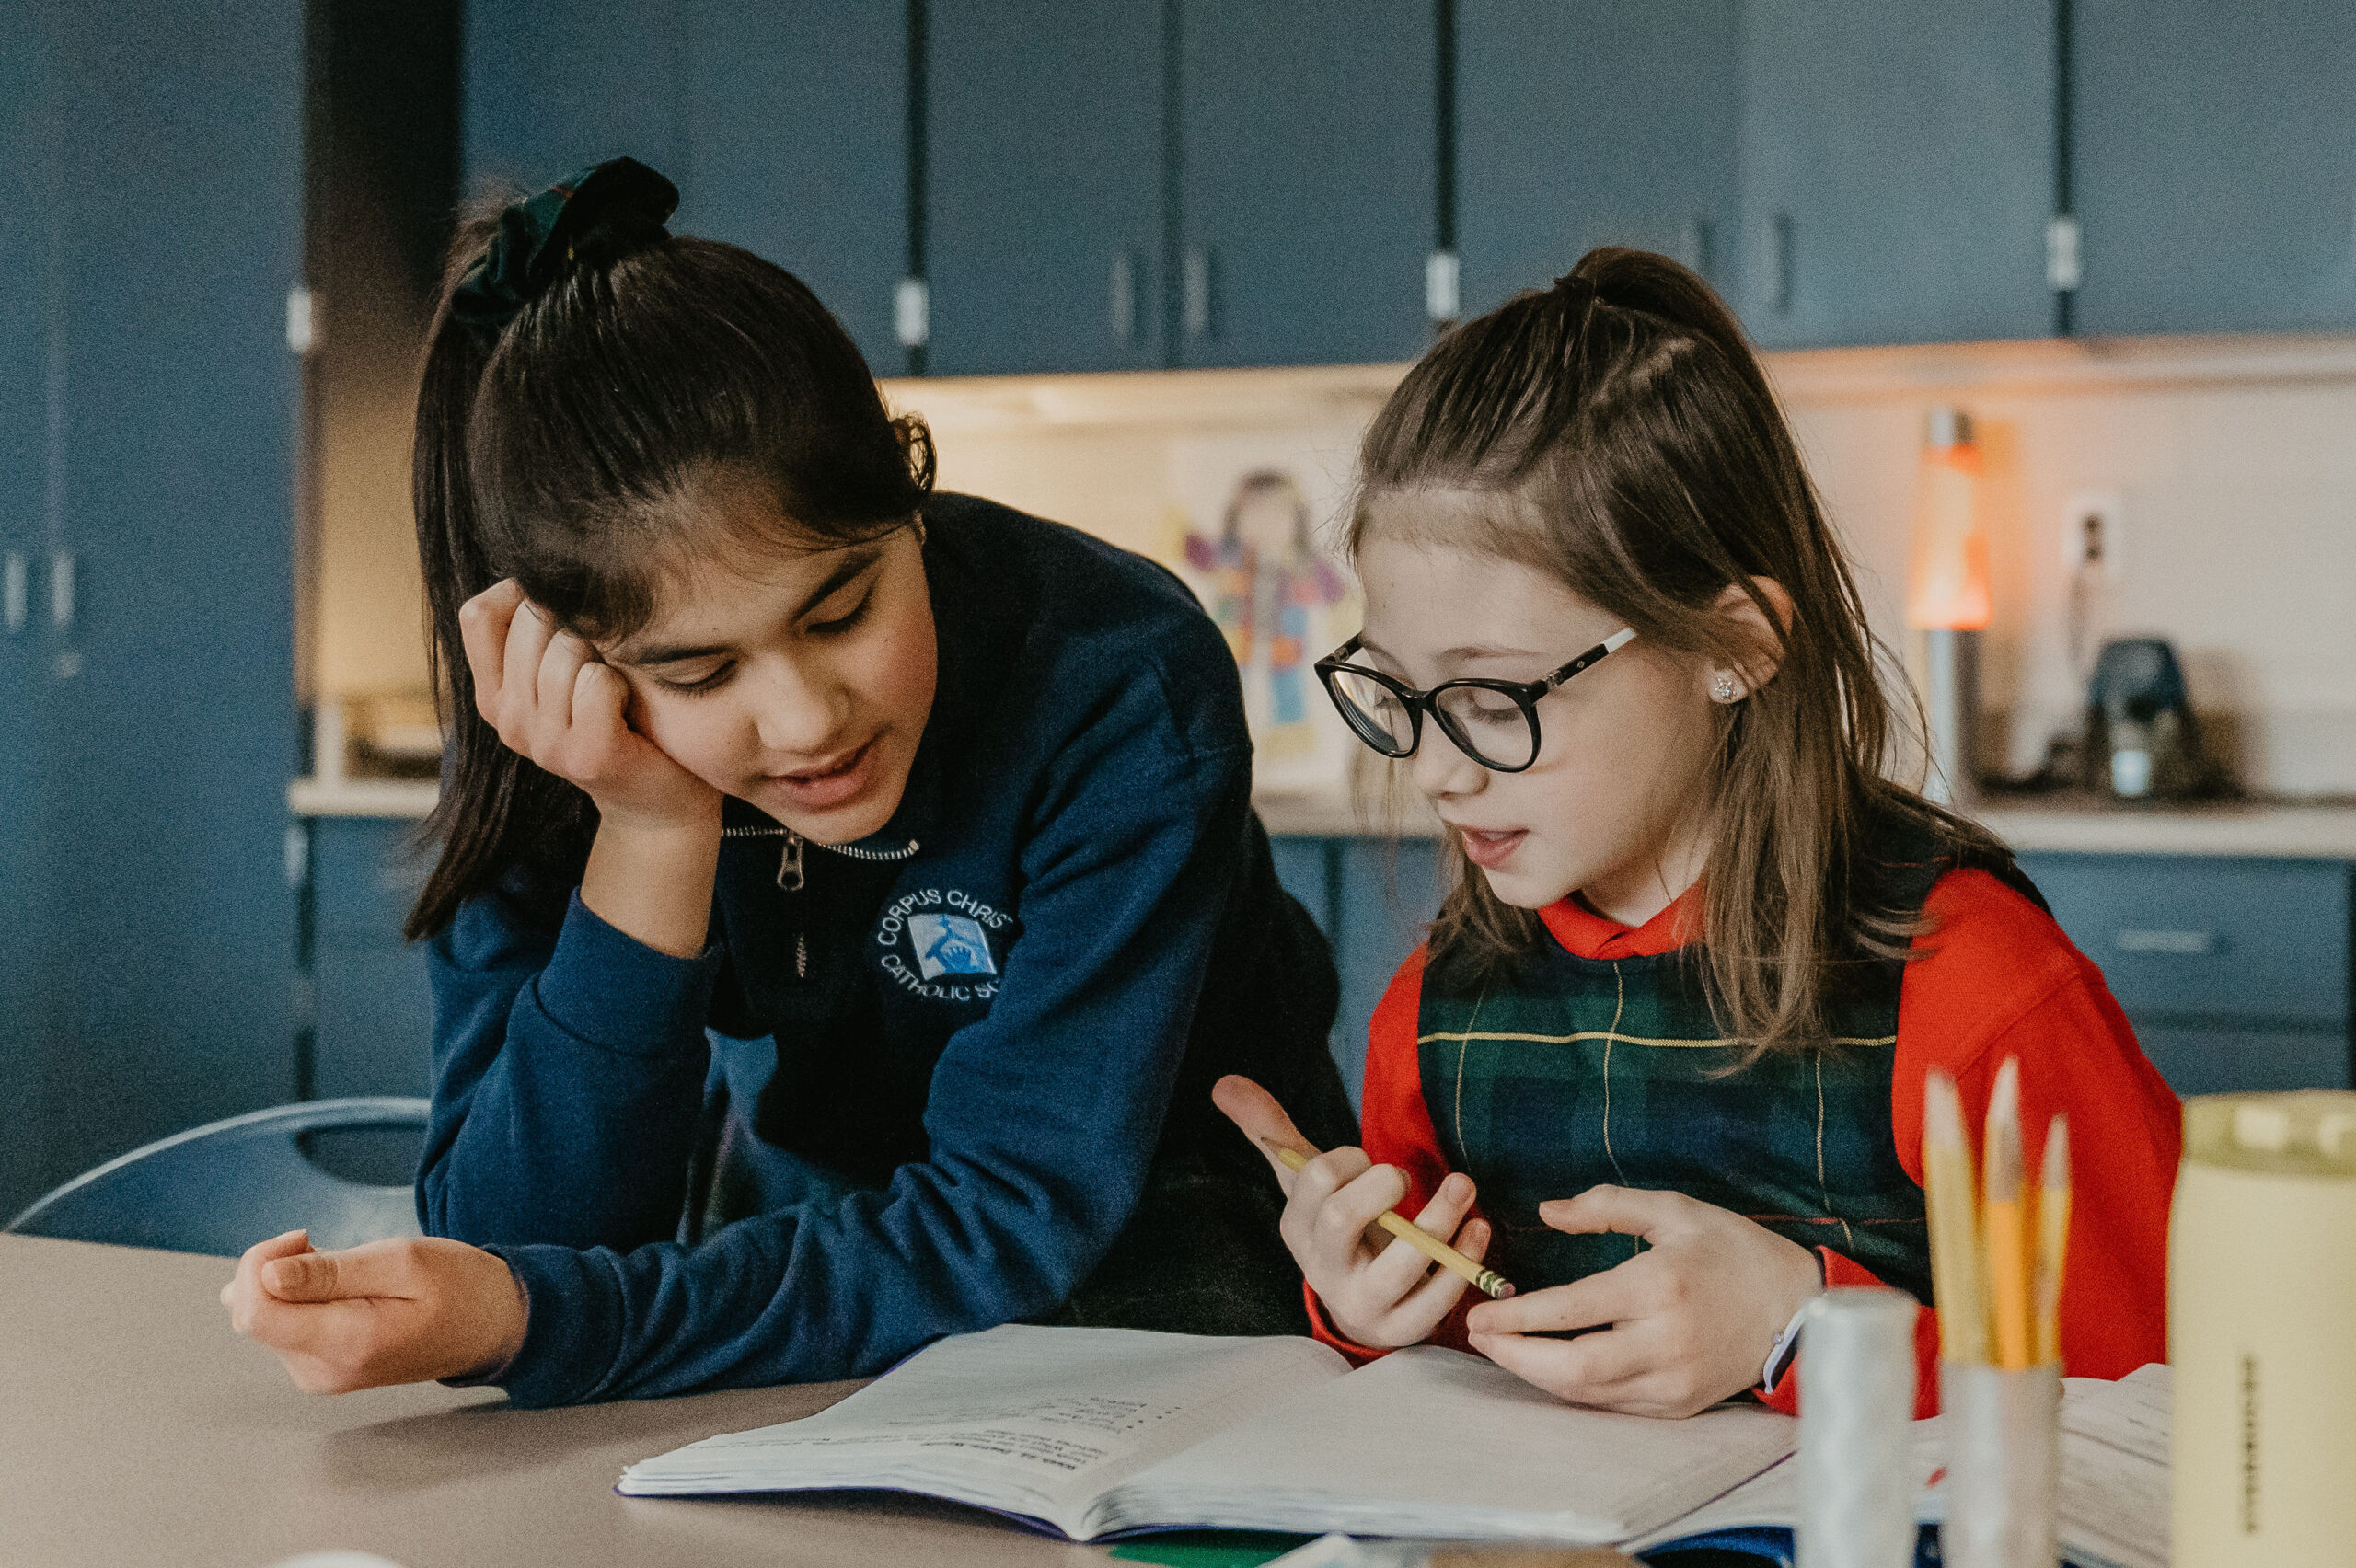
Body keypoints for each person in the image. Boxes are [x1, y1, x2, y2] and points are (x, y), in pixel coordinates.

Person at [221, 159, 1354, 1406]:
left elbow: (1017, 1208)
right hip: (815, 1235)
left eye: (843, 608)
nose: (807, 719)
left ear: (911, 497)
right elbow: (515, 1241)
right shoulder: (554, 738)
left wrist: (552, 1318)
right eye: (700, 673)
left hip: (1163, 1218)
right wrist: (651, 828)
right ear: (576, 667)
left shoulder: (1115, 679)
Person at [1217, 248, 2179, 1420]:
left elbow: (2163, 1401)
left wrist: (1798, 1330)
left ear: (1735, 646)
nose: (1431, 767)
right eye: (1401, 694)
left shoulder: (1973, 989)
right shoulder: (1429, 1011)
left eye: (1496, 699)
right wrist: (1368, 1308)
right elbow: (1458, 1349)